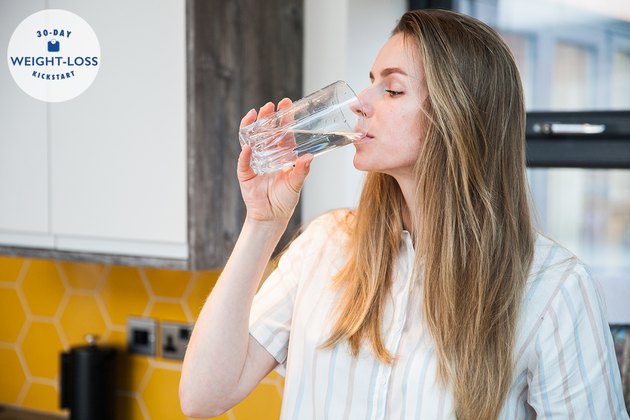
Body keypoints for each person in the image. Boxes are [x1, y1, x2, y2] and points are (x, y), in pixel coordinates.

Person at [180, 9, 629, 420]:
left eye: (392, 89)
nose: (360, 102)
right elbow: (202, 396)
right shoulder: (322, 248)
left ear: (460, 117)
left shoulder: (554, 290)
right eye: (371, 81)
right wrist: (262, 223)